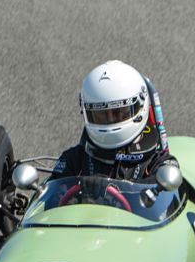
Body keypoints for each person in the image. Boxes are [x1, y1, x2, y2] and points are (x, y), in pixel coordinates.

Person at [49, 60, 178, 184]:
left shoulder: (159, 163)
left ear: (139, 106)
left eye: (118, 113)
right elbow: (51, 201)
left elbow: (165, 194)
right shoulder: (74, 159)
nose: (110, 121)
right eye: (101, 115)